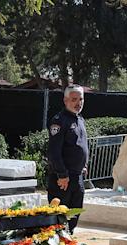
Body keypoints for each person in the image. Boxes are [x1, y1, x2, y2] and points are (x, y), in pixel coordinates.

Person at [46, 85, 89, 231]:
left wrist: (83, 165)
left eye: (81, 99)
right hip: (62, 179)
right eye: (74, 99)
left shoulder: (79, 119)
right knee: (59, 219)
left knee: (74, 216)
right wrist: (62, 174)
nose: (78, 103)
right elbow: (54, 151)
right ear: (65, 100)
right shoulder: (59, 120)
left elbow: (79, 145)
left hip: (77, 176)